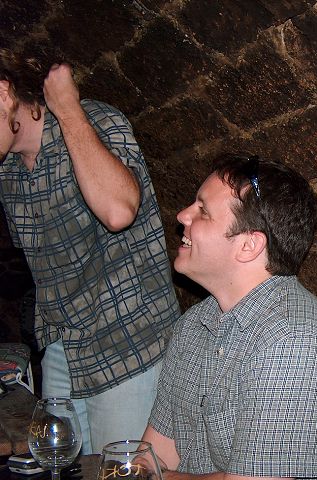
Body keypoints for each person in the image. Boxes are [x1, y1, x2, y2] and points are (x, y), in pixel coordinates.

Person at [0, 48, 180, 453]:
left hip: (128, 343)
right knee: (62, 463)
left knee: (123, 472)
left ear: (3, 92)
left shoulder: (93, 121)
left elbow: (119, 211)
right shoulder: (8, 172)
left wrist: (67, 111)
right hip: (63, 348)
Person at [142, 154, 317, 480]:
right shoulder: (194, 325)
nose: (182, 215)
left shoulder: (295, 343)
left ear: (248, 246)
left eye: (202, 211)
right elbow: (153, 456)